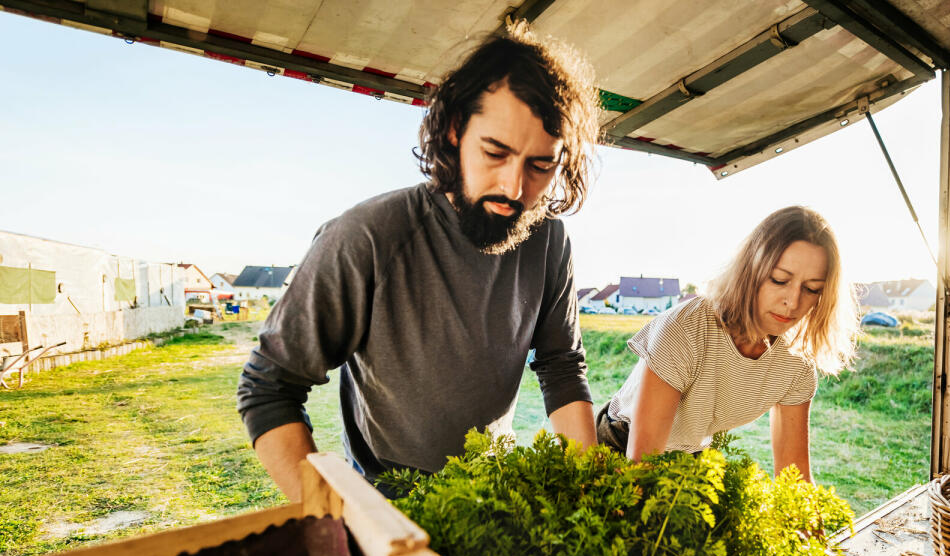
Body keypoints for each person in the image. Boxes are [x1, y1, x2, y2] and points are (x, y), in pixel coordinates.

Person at [237, 25, 601, 501]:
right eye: (495, 152)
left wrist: (592, 489)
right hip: (389, 499)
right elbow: (269, 389)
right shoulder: (366, 236)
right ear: (454, 130)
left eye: (540, 166)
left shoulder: (548, 240)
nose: (514, 189)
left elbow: (561, 368)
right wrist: (346, 520)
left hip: (493, 492)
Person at [595, 206, 857, 479]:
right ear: (750, 270)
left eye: (811, 288)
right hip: (619, 448)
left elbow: (795, 477)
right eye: (780, 280)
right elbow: (641, 464)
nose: (792, 302)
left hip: (692, 456)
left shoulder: (797, 362)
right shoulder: (684, 331)